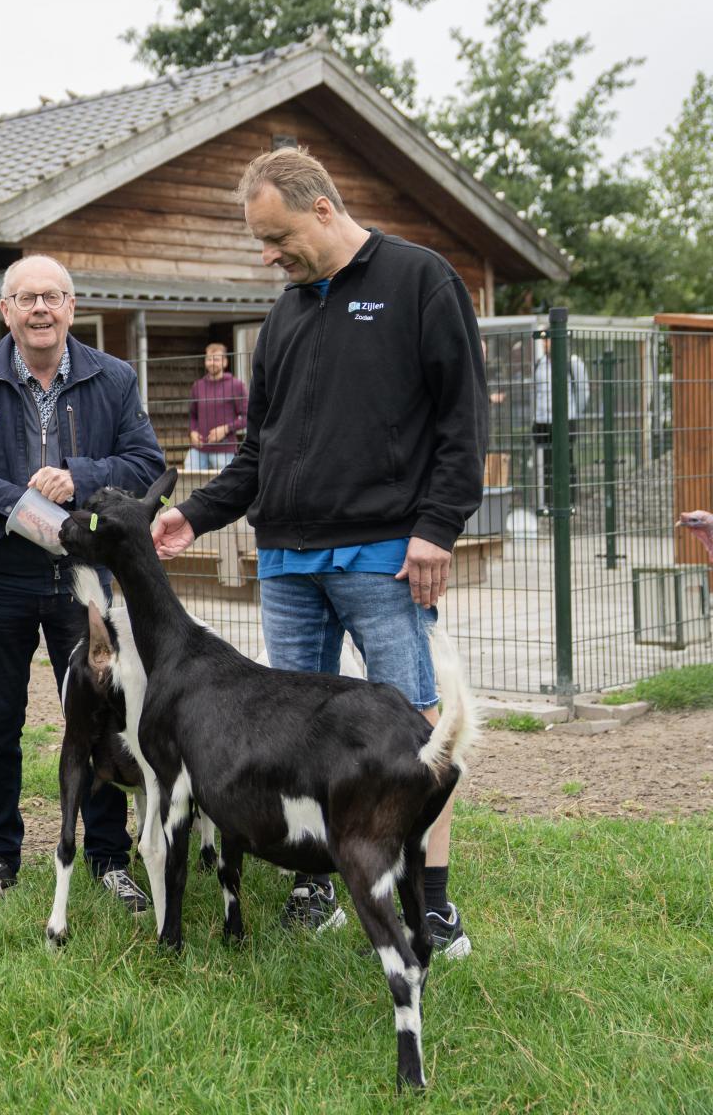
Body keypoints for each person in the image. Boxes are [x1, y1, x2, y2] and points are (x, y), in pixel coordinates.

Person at [148, 147, 487, 958]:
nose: (269, 256)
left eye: (276, 237)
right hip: (288, 560)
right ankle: (315, 885)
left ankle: (430, 902)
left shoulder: (419, 280)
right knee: (289, 732)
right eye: (261, 243)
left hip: (381, 555)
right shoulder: (286, 314)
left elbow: (462, 422)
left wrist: (438, 526)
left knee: (415, 729)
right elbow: (259, 453)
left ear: (323, 208)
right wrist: (194, 515)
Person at [0, 254, 165, 906]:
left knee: (104, 719)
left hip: (87, 580)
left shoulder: (114, 378)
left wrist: (77, 476)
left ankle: (109, 859)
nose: (40, 310)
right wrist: (12, 502)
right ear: (6, 310)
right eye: (26, 299)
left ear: (72, 307)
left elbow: (145, 463)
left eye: (52, 297)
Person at [531, 332, 590, 510]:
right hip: (542, 420)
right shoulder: (539, 364)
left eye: (548, 339)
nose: (545, 343)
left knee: (566, 461)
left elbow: (582, 391)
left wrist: (571, 413)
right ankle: (548, 503)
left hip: (565, 420)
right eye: (544, 340)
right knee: (546, 463)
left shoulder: (572, 362)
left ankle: (569, 502)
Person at [185, 343, 248, 471]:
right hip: (199, 449)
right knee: (188, 482)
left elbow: (247, 417)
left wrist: (225, 429)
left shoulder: (236, 385)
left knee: (225, 488)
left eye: (216, 359)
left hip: (224, 450)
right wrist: (192, 432)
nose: (212, 363)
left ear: (225, 362)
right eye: (209, 359)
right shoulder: (198, 386)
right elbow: (192, 415)